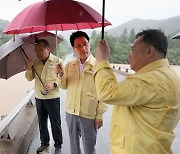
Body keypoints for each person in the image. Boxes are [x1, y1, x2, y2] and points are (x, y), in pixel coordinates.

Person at [94, 29, 180, 154]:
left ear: (149, 51)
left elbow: (107, 92)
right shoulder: (167, 74)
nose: (129, 55)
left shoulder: (152, 80)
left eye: (133, 50)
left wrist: (102, 60)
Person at [56, 31, 107, 154]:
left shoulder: (99, 66)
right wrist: (61, 74)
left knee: (89, 148)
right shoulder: (69, 65)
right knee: (74, 147)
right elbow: (64, 86)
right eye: (79, 46)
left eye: (85, 44)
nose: (83, 48)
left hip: (88, 114)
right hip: (71, 112)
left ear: (89, 44)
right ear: (74, 49)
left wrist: (99, 115)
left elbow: (104, 93)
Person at [25, 39, 63, 153]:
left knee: (55, 123)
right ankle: (44, 143)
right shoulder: (35, 63)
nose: (38, 53)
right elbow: (29, 78)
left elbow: (64, 79)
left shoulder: (57, 61)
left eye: (40, 50)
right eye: (36, 50)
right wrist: (29, 67)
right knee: (42, 123)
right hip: (39, 98)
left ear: (48, 49)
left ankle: (58, 145)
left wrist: (54, 84)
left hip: (53, 98)